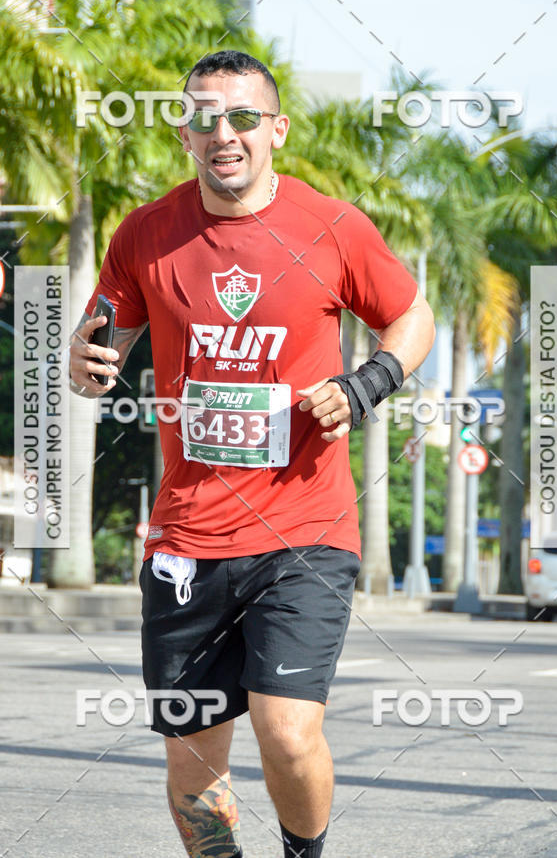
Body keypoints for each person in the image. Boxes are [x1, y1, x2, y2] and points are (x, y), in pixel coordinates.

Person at [70, 50, 435, 858]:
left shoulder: (333, 227)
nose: (222, 133)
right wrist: (85, 362)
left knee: (288, 729)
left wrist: (368, 380)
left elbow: (413, 319)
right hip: (188, 540)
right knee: (194, 768)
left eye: (241, 117)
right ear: (184, 132)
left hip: (305, 530)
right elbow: (103, 344)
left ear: (277, 130)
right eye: (204, 118)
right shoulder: (145, 233)